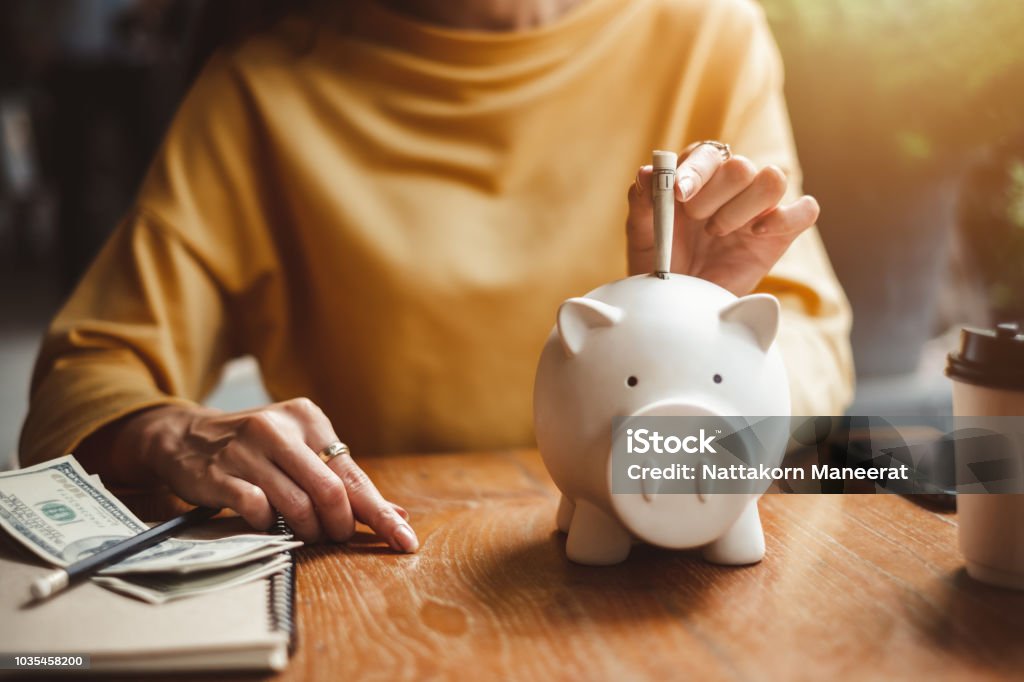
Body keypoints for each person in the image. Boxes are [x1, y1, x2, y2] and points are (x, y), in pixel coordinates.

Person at [20, 0, 854, 551]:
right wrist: (176, 432)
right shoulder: (260, 94)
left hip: (654, 572)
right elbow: (79, 385)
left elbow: (812, 347)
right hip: (385, 571)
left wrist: (700, 323)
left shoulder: (707, 32)